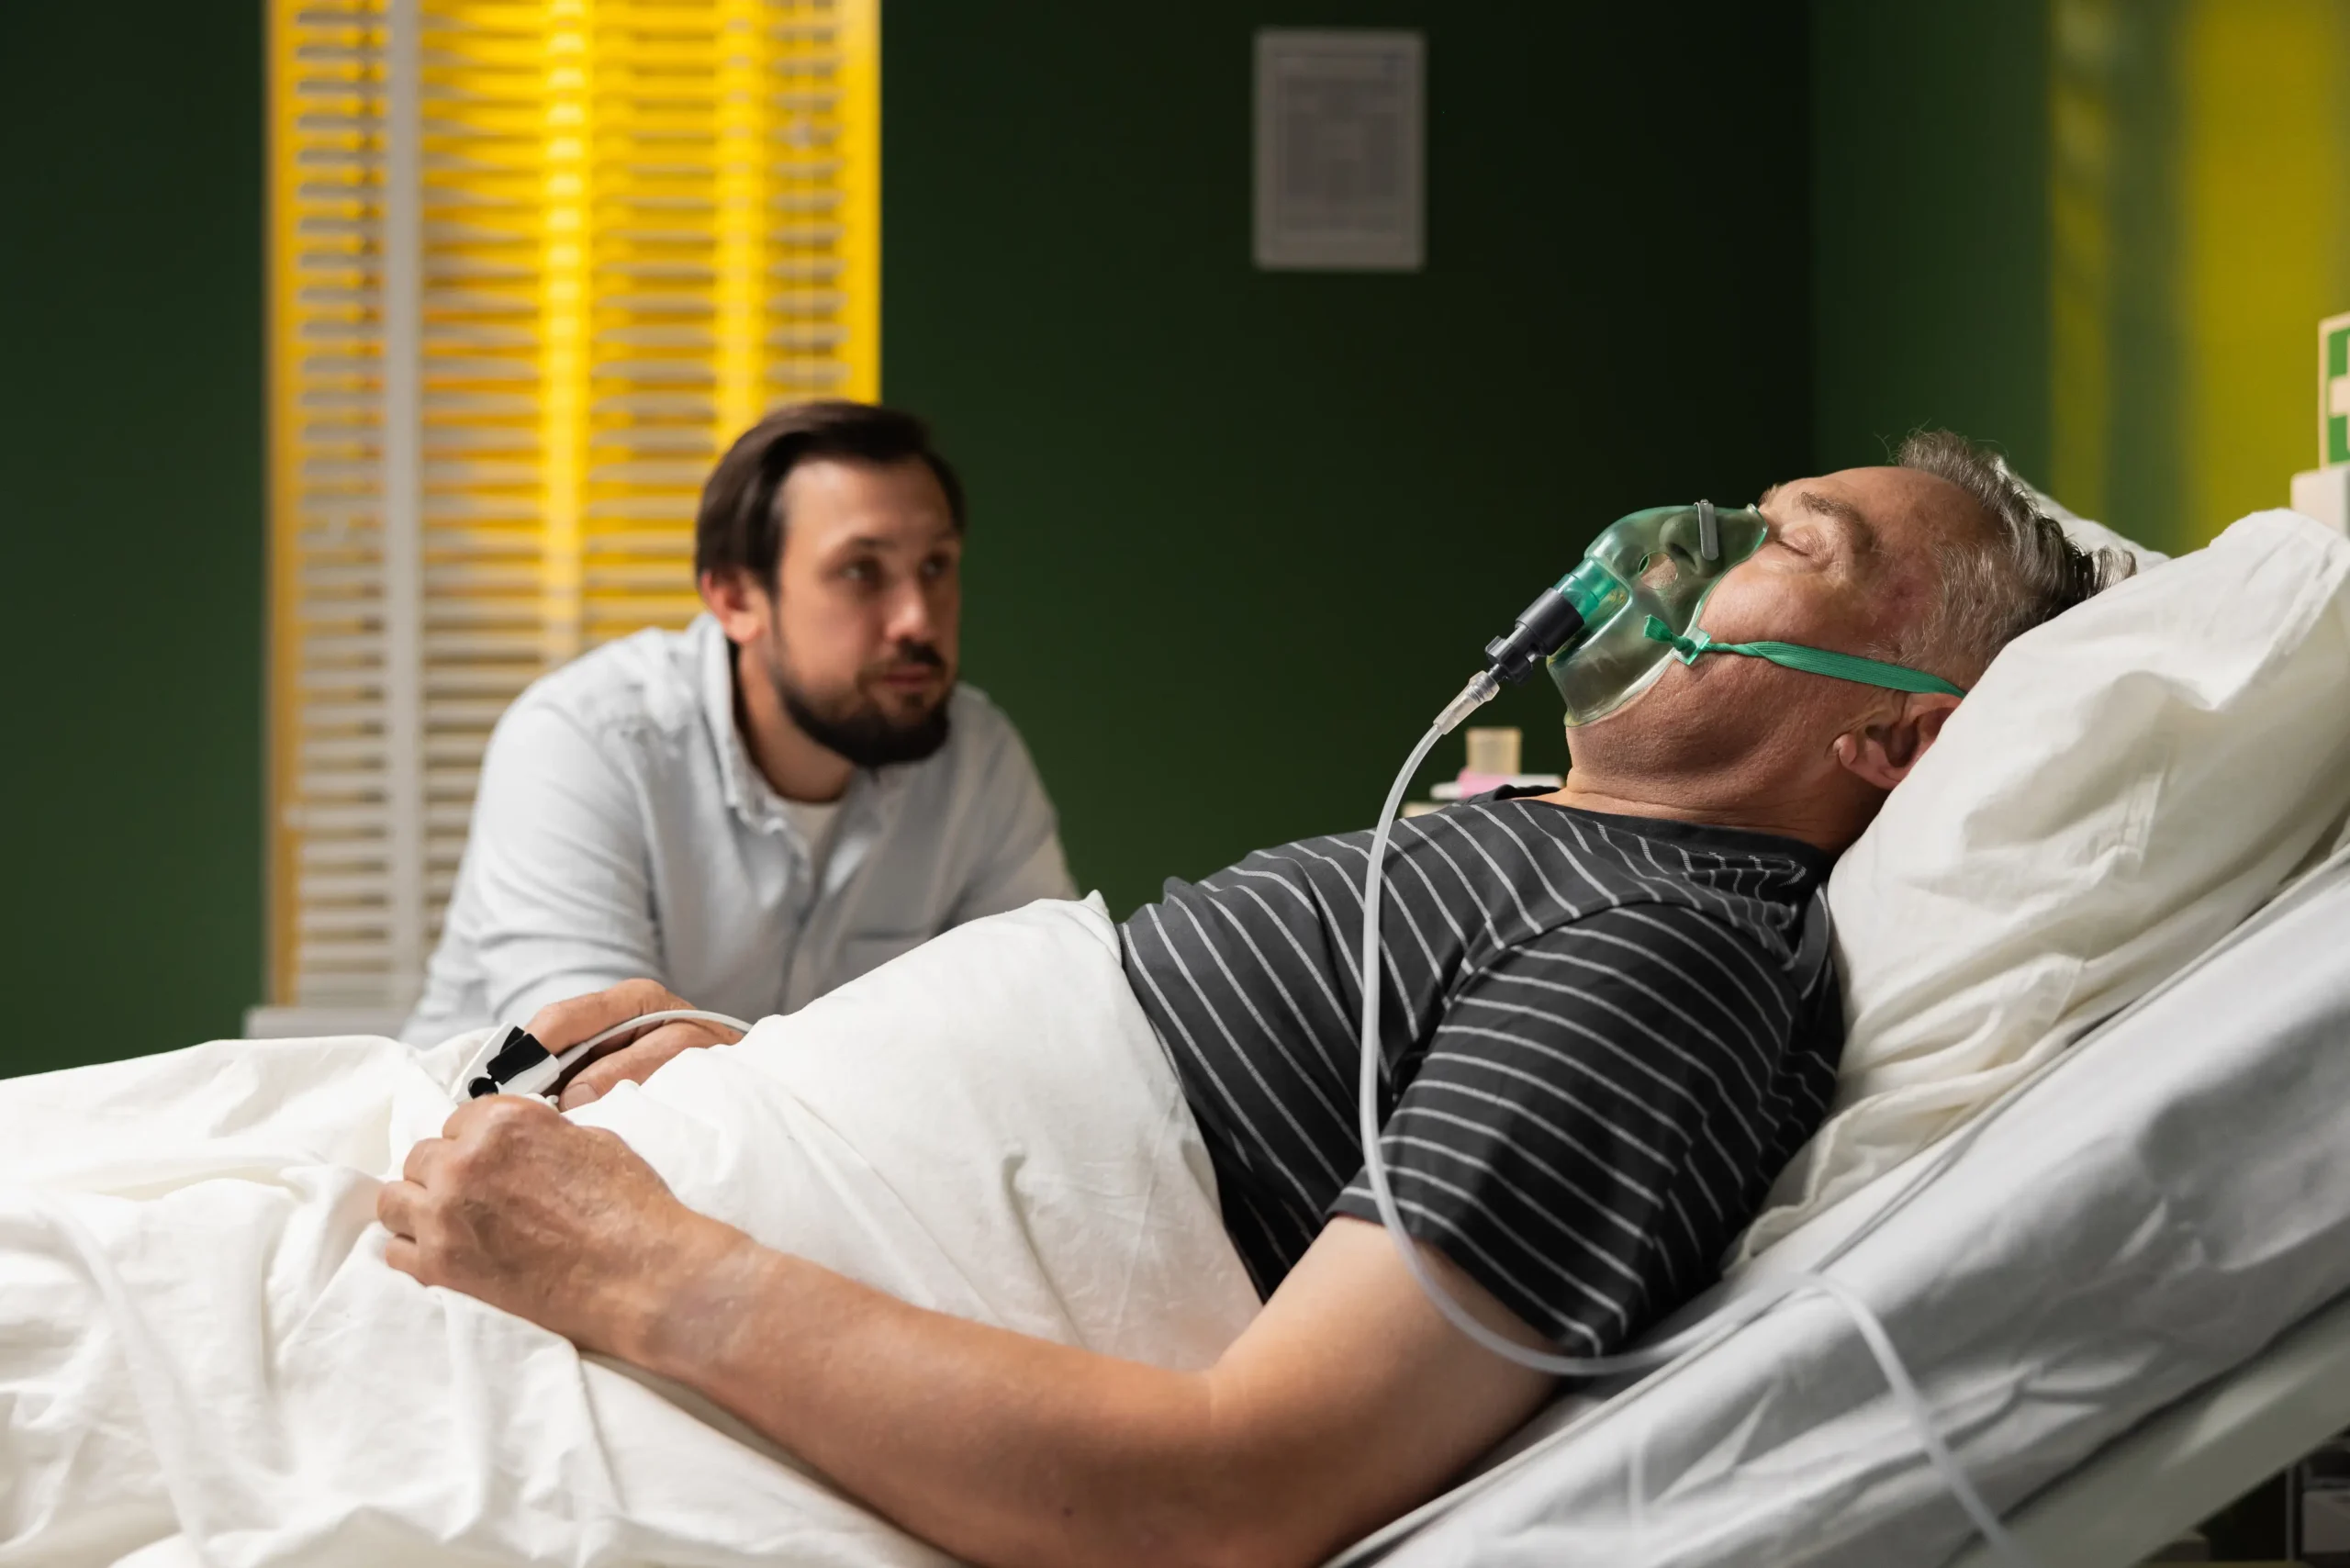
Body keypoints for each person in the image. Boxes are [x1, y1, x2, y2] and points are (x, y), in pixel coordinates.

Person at [375, 433, 2130, 1568]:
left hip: (604, 1270)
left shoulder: (1672, 950)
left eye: (1785, 545)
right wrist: (773, 1071)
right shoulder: (1551, 843)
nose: (1691, 544)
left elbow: (1243, 1484)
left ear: (1898, 733)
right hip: (601, 1167)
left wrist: (639, 1263)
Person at [402, 400, 1077, 1047]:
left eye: (935, 566)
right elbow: (595, 1072)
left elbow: (1049, 1022)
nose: (918, 620)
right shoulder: (584, 741)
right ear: (734, 599)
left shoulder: (976, 757)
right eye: (860, 571)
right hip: (477, 1148)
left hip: (776, 1164)